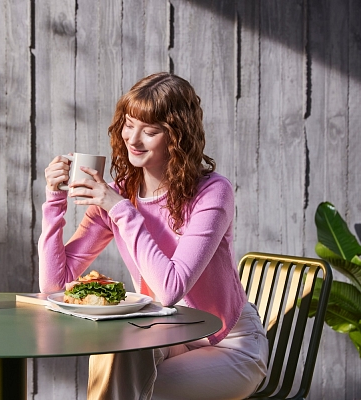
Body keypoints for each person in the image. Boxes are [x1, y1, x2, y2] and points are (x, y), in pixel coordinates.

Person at [38, 72, 268, 400]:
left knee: (134, 390)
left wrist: (120, 210)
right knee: (116, 348)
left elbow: (170, 289)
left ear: (178, 136)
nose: (133, 139)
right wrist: (54, 198)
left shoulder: (212, 193)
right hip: (167, 336)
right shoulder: (119, 194)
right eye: (129, 124)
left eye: (150, 130)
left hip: (229, 345)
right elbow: (53, 285)